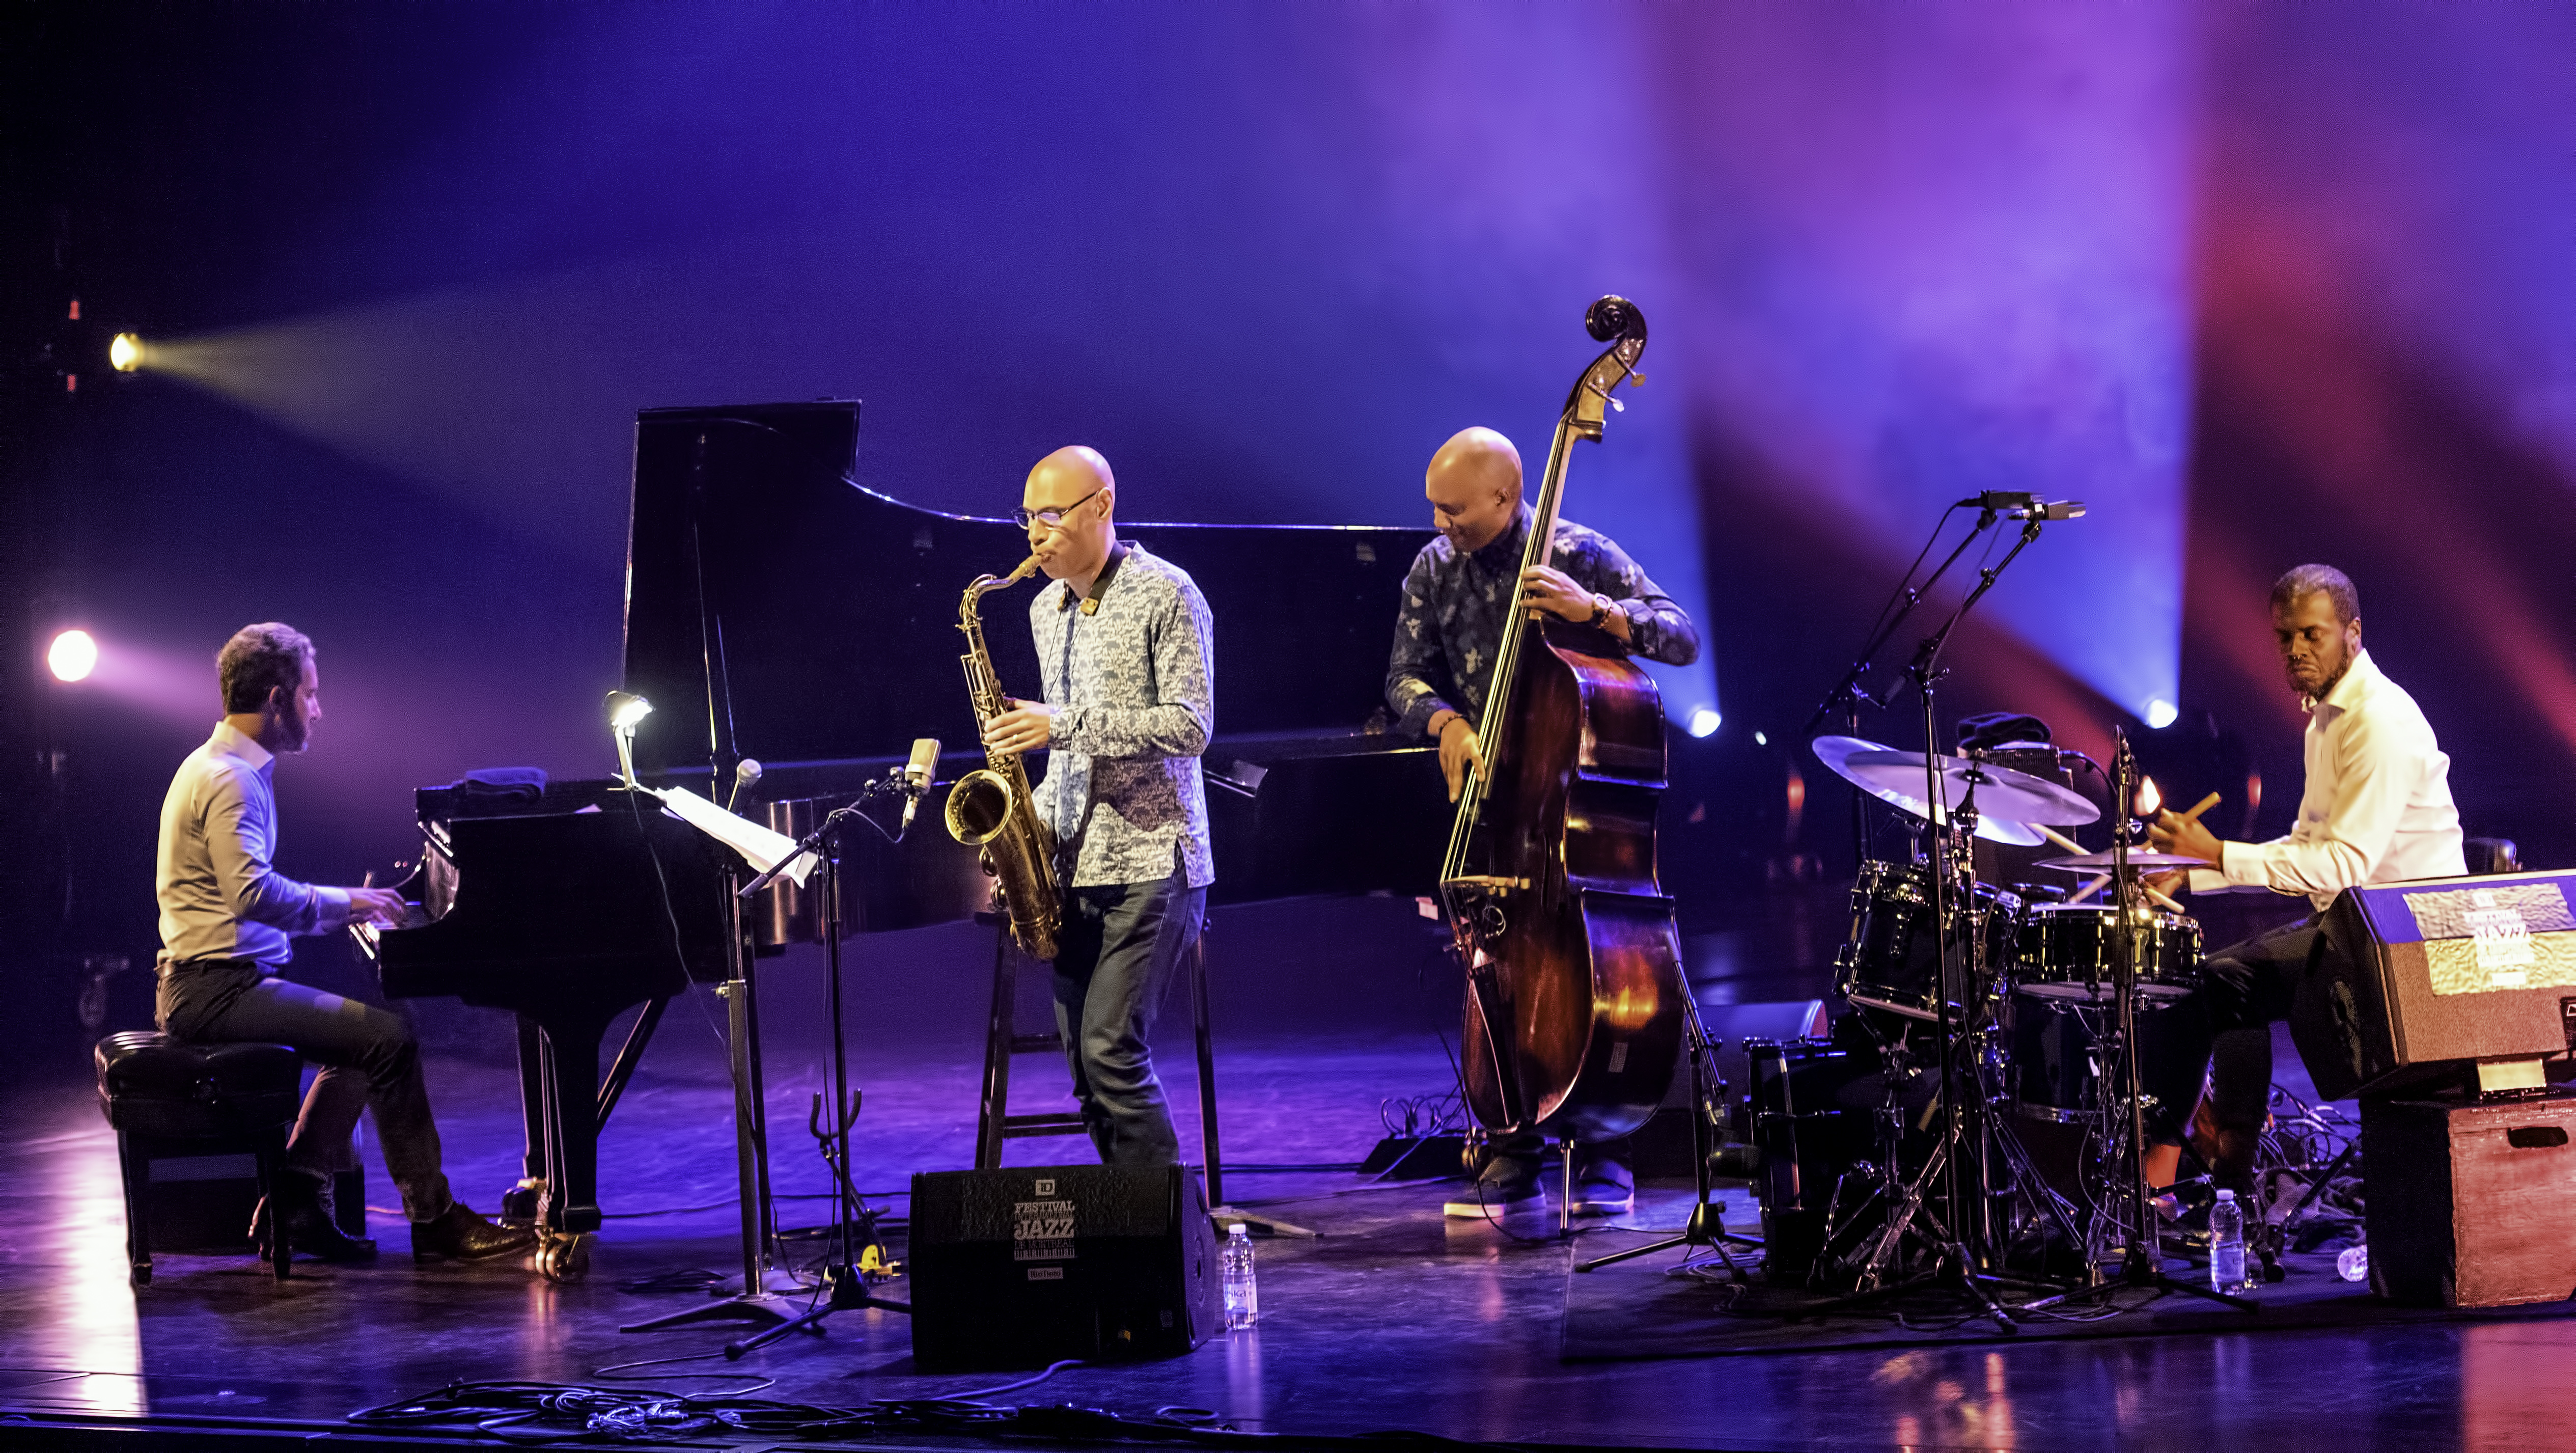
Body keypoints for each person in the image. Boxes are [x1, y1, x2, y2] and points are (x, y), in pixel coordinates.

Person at [1384, 426, 1703, 1218]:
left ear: (1504, 497)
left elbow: (1680, 635)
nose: (1438, 524)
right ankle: (1511, 1138)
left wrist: (1596, 612)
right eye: (1433, 506)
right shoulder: (1432, 569)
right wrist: (1444, 725)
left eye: (1452, 509)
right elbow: (1400, 677)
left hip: (1570, 808)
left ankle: (1603, 1144)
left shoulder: (1579, 551)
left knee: (1586, 970)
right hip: (1492, 809)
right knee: (1494, 965)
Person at [153, 623, 536, 1264]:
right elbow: (253, 896)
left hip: (220, 982)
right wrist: (354, 902)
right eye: (310, 695)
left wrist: (345, 903)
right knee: (390, 1038)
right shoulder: (229, 780)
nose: (318, 709)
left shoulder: (221, 767)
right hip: (210, 992)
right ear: (277, 699)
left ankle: (299, 1196)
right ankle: (434, 1219)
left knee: (370, 1037)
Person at [2142, 565, 2464, 1196]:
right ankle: (2205, 1178)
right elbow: (2308, 845)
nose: (2295, 651)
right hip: (2358, 920)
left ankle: (2206, 1179)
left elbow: (2342, 864)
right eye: (2284, 637)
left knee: (2222, 981)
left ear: (2352, 633)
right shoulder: (2327, 717)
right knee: (2210, 982)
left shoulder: (2378, 722)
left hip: (2407, 936)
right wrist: (2195, 868)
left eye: (2311, 635)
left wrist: (2217, 854)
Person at [981, 447, 1216, 1166]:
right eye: (1028, 521)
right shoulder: (1042, 610)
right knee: (1085, 1076)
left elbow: (1190, 726)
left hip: (1152, 862)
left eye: (1050, 518)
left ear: (1101, 506)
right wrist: (1023, 836)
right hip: (1074, 869)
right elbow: (1065, 761)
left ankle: (1173, 1241)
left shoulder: (1167, 592)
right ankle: (1128, 1228)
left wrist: (1062, 723)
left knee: (1111, 1052)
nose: (1035, 536)